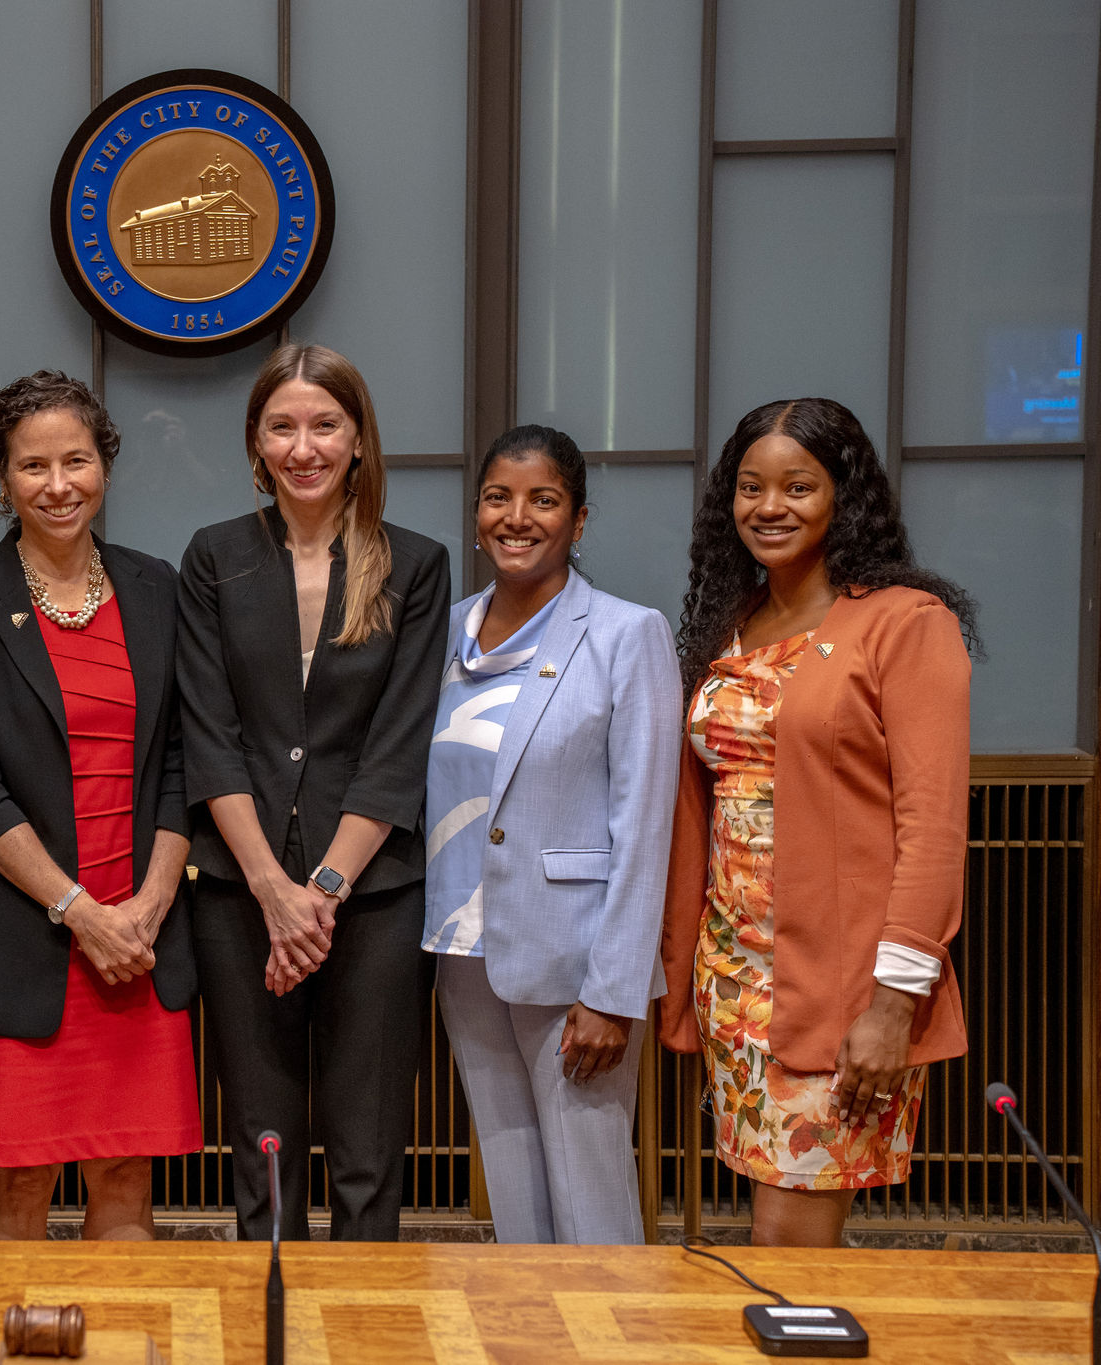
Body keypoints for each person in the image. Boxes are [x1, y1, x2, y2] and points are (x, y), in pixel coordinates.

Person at [659, 397, 974, 1247]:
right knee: (773, 1228)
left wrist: (892, 1006)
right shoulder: (730, 622)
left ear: (845, 496)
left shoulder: (906, 623)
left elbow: (935, 829)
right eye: (751, 486)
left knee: (791, 1246)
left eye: (799, 485)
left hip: (843, 987)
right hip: (734, 971)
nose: (771, 506)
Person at [177, 342, 452, 1242]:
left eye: (325, 424)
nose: (305, 446)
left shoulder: (413, 564)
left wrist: (322, 892)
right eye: (283, 426)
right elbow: (208, 735)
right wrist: (270, 889)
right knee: (263, 1147)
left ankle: (361, 1335)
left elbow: (398, 743)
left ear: (359, 439)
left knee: (369, 1152)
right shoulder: (214, 556)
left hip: (369, 894)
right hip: (238, 891)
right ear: (257, 444)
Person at [0, 370, 200, 1240]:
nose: (57, 484)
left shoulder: (158, 588)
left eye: (75, 460)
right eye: (32, 465)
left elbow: (183, 762)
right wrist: (82, 914)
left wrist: (147, 909)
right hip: (28, 941)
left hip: (141, 945)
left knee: (126, 1182)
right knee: (17, 1187)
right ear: (3, 480)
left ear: (104, 467)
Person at [424, 425, 681, 1245]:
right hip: (463, 948)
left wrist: (614, 988)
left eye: (543, 499)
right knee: (511, 1182)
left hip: (574, 957)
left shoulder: (624, 633)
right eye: (499, 497)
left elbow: (646, 821)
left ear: (578, 519)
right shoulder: (446, 632)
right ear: (476, 514)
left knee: (590, 1185)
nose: (517, 516)